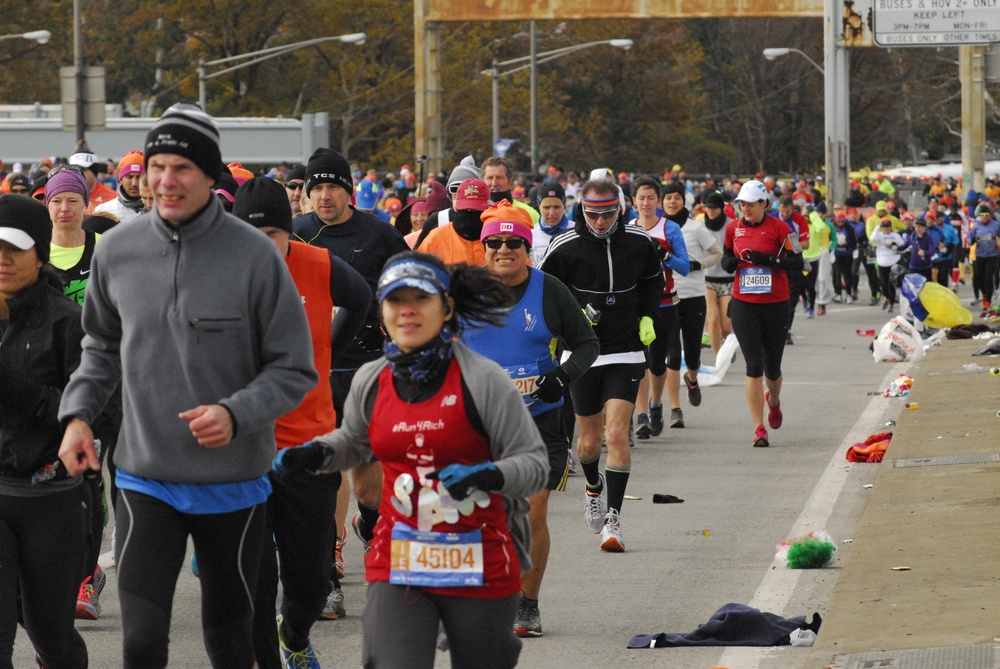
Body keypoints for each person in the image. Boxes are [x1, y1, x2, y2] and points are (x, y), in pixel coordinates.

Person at [57, 103, 318, 669]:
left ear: (209, 174)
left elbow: (294, 368)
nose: (166, 180)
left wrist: (237, 412)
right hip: (143, 475)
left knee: (230, 644)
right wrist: (78, 416)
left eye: (182, 167)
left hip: (234, 482)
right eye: (157, 166)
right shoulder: (118, 251)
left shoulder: (255, 256)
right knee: (143, 641)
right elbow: (99, 348)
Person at [272, 251, 548, 669]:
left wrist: (487, 474)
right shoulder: (373, 378)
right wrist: (318, 453)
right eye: (394, 300)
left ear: (447, 308)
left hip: (479, 559)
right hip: (400, 558)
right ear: (381, 313)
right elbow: (354, 441)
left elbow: (534, 464)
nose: (407, 311)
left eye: (420, 299)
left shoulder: (482, 378)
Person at [233, 177, 370, 668]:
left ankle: (293, 635)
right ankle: (268, 657)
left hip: (310, 444)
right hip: (243, 450)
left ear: (289, 232)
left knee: (312, 580)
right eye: (251, 234)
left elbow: (362, 300)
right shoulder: (219, 273)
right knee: (254, 577)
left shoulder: (319, 264)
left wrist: (332, 349)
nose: (262, 244)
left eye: (272, 233)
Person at [462, 201, 599, 637]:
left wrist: (562, 377)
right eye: (495, 243)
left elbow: (587, 344)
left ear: (528, 248)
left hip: (538, 420)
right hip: (478, 424)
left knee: (531, 511)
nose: (505, 250)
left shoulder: (550, 289)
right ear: (483, 250)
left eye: (514, 242)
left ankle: (527, 604)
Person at [292, 147, 409, 614]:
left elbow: (412, 290)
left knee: (366, 486)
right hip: (313, 373)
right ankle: (328, 575)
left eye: (332, 187)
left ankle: (371, 533)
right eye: (315, 188)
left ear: (349, 191)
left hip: (369, 369)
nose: (323, 197)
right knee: (323, 478)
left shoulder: (380, 235)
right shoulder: (295, 235)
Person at [538, 177, 664, 551]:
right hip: (583, 352)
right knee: (589, 442)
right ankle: (593, 486)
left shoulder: (639, 242)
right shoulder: (565, 245)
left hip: (626, 350)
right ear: (582, 210)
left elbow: (653, 282)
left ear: (620, 208)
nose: (600, 221)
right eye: (592, 214)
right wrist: (573, 316)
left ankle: (614, 520)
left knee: (616, 434)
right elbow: (544, 292)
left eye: (608, 213)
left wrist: (648, 317)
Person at [0, 195, 89, 669]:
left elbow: (88, 415)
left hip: (50, 497)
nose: (2, 259)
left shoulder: (67, 321)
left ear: (39, 252)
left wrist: (16, 388)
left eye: (13, 248)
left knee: (53, 640)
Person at [721, 180, 804, 448]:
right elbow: (725, 258)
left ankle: (775, 401)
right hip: (744, 304)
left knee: (772, 368)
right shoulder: (733, 229)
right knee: (753, 366)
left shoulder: (782, 228)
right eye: (742, 204)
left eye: (751, 204)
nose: (745, 209)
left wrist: (767, 260)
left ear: (764, 204)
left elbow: (797, 263)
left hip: (775, 304)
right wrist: (730, 262)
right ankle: (759, 428)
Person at [630, 177, 688, 440]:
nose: (646, 203)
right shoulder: (628, 228)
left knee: (657, 360)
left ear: (659, 201)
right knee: (637, 360)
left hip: (665, 302)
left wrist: (664, 255)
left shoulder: (670, 228)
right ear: (633, 201)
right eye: (641, 198)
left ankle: (656, 404)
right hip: (635, 304)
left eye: (651, 198)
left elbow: (685, 267)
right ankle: (641, 414)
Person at [661, 181, 721, 429]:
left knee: (693, 353)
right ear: (661, 202)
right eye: (668, 198)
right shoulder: (658, 228)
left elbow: (718, 254)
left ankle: (692, 378)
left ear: (683, 201)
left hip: (694, 295)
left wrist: (698, 265)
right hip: (667, 297)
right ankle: (675, 409)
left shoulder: (696, 229)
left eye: (676, 198)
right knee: (673, 354)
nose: (672, 202)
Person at [418, 178, 491, 265]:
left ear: (487, 208)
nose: (470, 213)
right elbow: (417, 270)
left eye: (476, 209)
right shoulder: (435, 239)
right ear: (456, 207)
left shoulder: (497, 239)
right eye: (465, 209)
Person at [702, 191, 736, 357]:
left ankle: (728, 348)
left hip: (727, 279)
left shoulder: (732, 225)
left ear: (721, 209)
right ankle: (718, 358)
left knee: (726, 325)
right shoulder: (699, 227)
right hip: (707, 280)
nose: (710, 211)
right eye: (708, 207)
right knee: (713, 321)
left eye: (714, 208)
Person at [94, 150, 146, 224]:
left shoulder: (159, 210)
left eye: (139, 177)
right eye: (129, 177)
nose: (134, 183)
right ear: (120, 179)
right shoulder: (104, 211)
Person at [868, 218, 907, 313]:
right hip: (882, 262)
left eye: (887, 226)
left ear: (890, 227)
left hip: (893, 261)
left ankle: (892, 303)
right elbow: (871, 239)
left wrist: (894, 248)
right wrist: (877, 227)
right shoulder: (879, 236)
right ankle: (887, 298)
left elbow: (903, 247)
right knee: (883, 283)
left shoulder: (896, 236)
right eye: (884, 226)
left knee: (891, 283)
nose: (886, 228)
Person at [969, 204, 1000, 315]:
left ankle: (988, 301)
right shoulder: (976, 225)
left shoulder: (996, 225)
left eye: (986, 215)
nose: (984, 217)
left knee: (988, 278)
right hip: (980, 255)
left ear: (990, 215)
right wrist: (971, 240)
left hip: (992, 255)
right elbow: (970, 237)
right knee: (979, 278)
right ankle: (984, 295)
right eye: (982, 215)